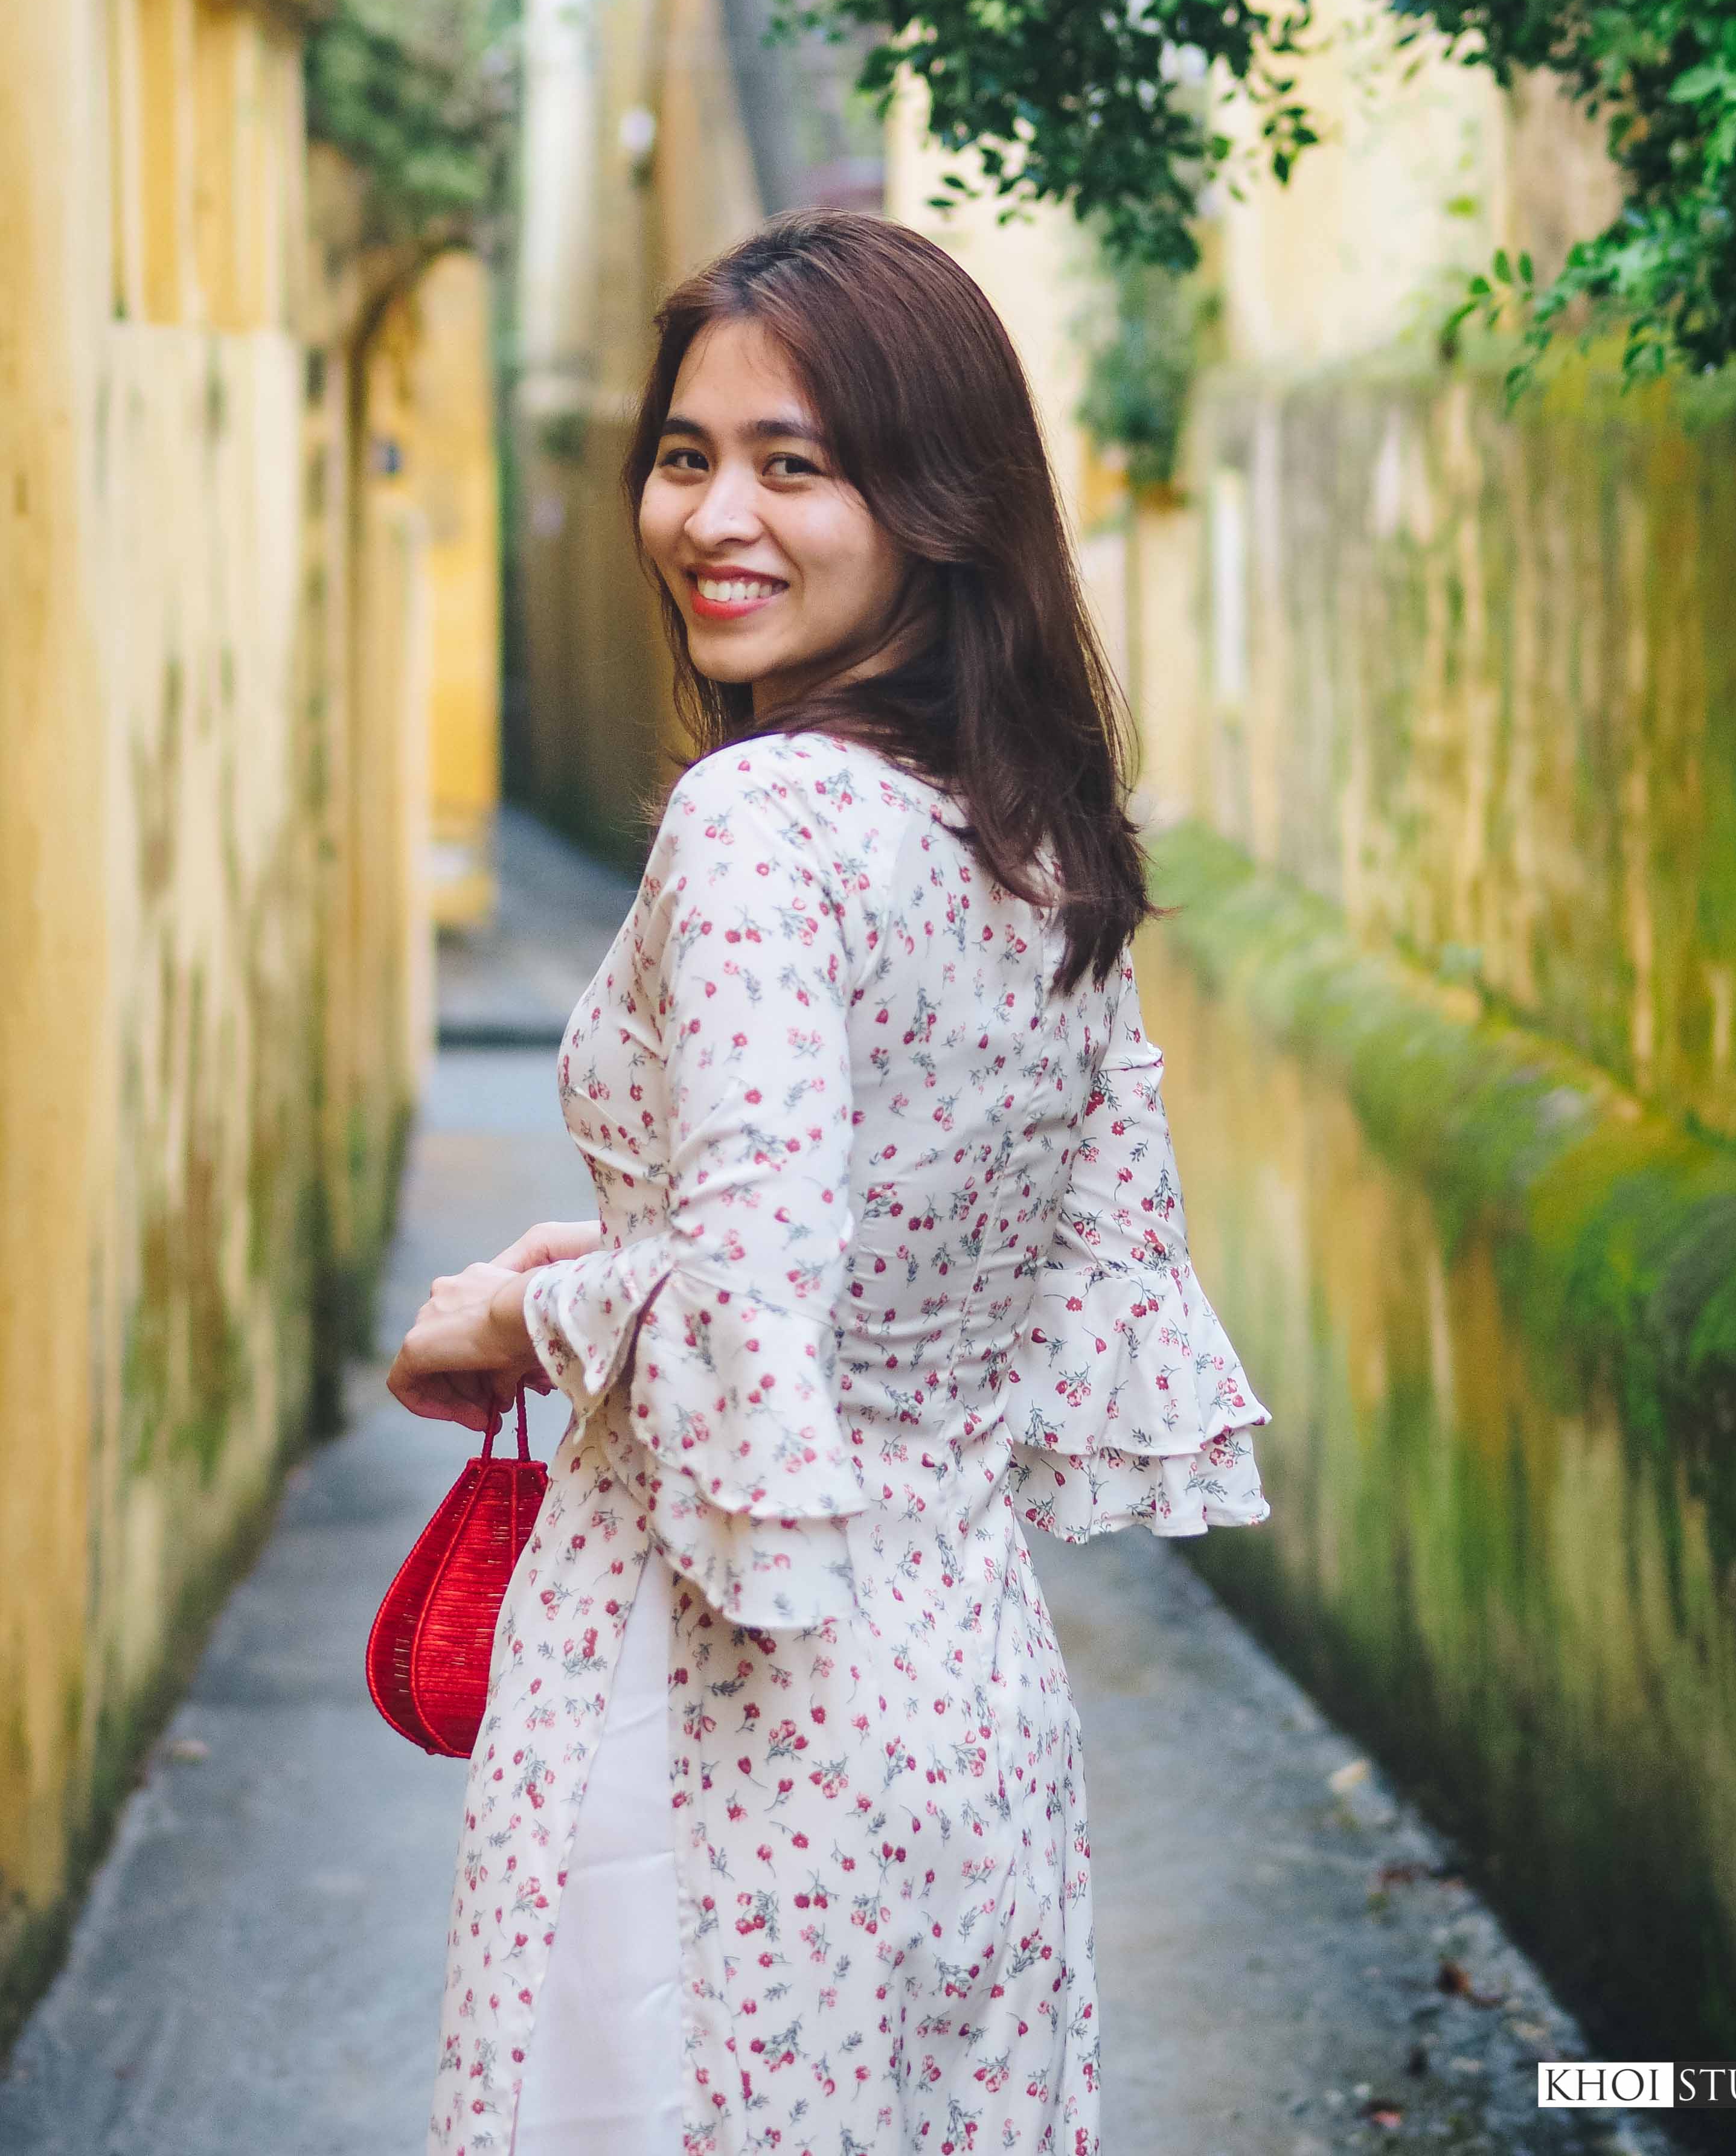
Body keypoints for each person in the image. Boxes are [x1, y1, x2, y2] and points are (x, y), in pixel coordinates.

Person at [389, 212, 1269, 2156]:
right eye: (687, 455)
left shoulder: (762, 820)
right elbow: (911, 1245)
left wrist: (507, 1314)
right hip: (960, 1691)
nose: (717, 515)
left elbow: (748, 1303)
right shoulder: (1036, 829)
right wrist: (619, 1259)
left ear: (937, 505)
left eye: (797, 465)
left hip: (722, 1696)